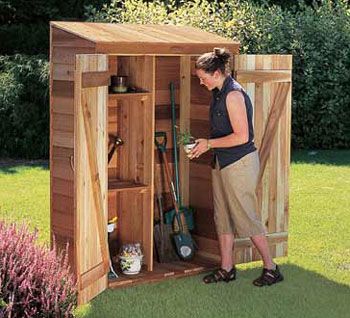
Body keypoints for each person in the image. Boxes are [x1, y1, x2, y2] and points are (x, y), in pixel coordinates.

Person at [189, 47, 284, 286]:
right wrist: (205, 146)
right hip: (222, 161)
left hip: (240, 163)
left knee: (246, 216)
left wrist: (209, 143)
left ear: (218, 72)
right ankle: (227, 268)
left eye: (203, 77)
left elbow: (242, 136)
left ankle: (271, 268)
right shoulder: (219, 93)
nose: (201, 82)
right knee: (223, 217)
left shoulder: (233, 95)